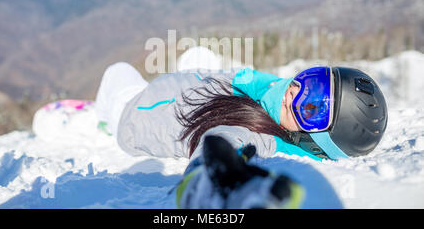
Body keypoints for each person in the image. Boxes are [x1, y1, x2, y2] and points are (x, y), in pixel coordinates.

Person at [94, 55, 388, 208]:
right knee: (199, 53)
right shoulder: (273, 93)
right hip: (185, 88)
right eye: (313, 80)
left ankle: (103, 116)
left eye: (312, 108)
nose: (295, 91)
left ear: (314, 140)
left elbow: (219, 147)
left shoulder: (256, 135)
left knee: (117, 69)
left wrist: (224, 184)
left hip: (133, 113)